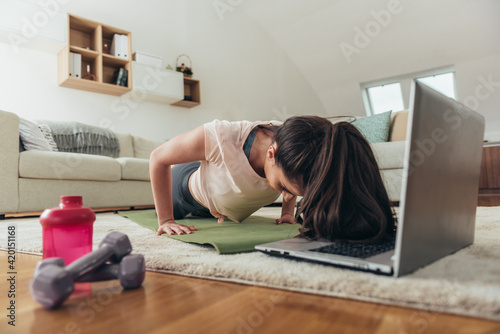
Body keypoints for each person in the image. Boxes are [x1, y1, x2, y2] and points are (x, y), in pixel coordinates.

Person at [149, 116, 396, 243]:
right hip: (188, 191)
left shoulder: (295, 145)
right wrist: (166, 219)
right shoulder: (221, 136)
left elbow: (294, 185)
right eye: (283, 187)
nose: (288, 193)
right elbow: (158, 158)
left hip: (223, 202)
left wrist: (288, 212)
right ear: (271, 154)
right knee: (167, 210)